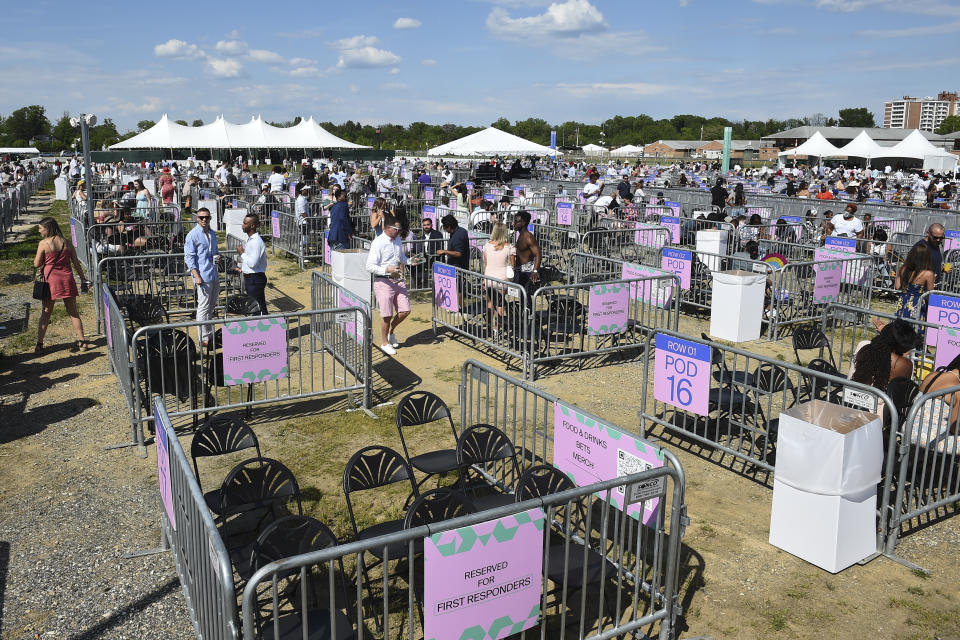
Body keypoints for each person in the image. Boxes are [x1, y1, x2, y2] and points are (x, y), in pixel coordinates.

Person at [33, 217, 89, 353]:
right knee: (73, 312)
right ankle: (82, 342)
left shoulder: (43, 244)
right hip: (67, 279)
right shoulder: (67, 242)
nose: (39, 231)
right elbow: (76, 263)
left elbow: (36, 264)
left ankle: (39, 344)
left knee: (46, 313)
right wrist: (83, 279)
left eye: (41, 228)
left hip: (50, 281)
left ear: (48, 229)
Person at [364, 212, 409, 355]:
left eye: (399, 229)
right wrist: (386, 269)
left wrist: (409, 261)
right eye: (395, 229)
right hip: (382, 281)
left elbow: (401, 257)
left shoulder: (397, 240)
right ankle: (384, 343)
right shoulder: (378, 242)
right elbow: (369, 266)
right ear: (386, 228)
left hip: (397, 279)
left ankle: (391, 331)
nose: (398, 231)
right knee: (387, 315)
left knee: (405, 311)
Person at [184, 207, 220, 347]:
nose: (204, 219)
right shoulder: (192, 235)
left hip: (214, 274)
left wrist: (218, 257)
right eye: (201, 217)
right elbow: (189, 257)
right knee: (203, 307)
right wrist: (196, 275)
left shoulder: (212, 233)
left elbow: (215, 252)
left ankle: (209, 334)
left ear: (210, 218)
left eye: (207, 217)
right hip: (202, 276)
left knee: (211, 307)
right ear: (197, 219)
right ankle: (203, 337)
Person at [849, 319, 920, 390]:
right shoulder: (904, 364)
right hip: (880, 400)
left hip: (849, 393)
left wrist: (886, 332)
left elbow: (883, 344)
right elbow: (900, 390)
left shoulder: (863, 345)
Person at [911, 353, 960, 454]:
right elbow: (955, 428)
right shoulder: (957, 389)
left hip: (910, 429)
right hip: (930, 439)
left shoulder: (932, 375)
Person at [482, 223, 516, 337]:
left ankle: (488, 325)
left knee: (490, 302)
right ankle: (497, 329)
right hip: (502, 279)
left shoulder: (487, 245)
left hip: (489, 277)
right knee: (500, 304)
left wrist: (483, 278)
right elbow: (512, 265)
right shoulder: (509, 247)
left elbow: (485, 263)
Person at [236, 213, 268, 314]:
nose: (242, 225)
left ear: (252, 226)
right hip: (251, 278)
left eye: (245, 223)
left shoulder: (256, 242)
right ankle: (264, 327)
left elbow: (253, 263)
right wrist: (241, 268)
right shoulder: (250, 240)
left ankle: (264, 328)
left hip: (255, 279)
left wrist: (242, 253)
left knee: (257, 308)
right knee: (258, 307)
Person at [894, 242, 935, 318]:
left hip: (903, 300)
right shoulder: (928, 274)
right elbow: (930, 293)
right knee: (914, 327)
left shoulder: (903, 268)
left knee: (899, 326)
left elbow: (897, 286)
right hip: (917, 302)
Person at [512, 210, 541, 290]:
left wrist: (535, 271)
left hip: (526, 272)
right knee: (521, 297)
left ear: (523, 223)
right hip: (519, 270)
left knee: (525, 298)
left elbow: (538, 254)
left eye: (516, 221)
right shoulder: (521, 235)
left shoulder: (528, 237)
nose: (513, 224)